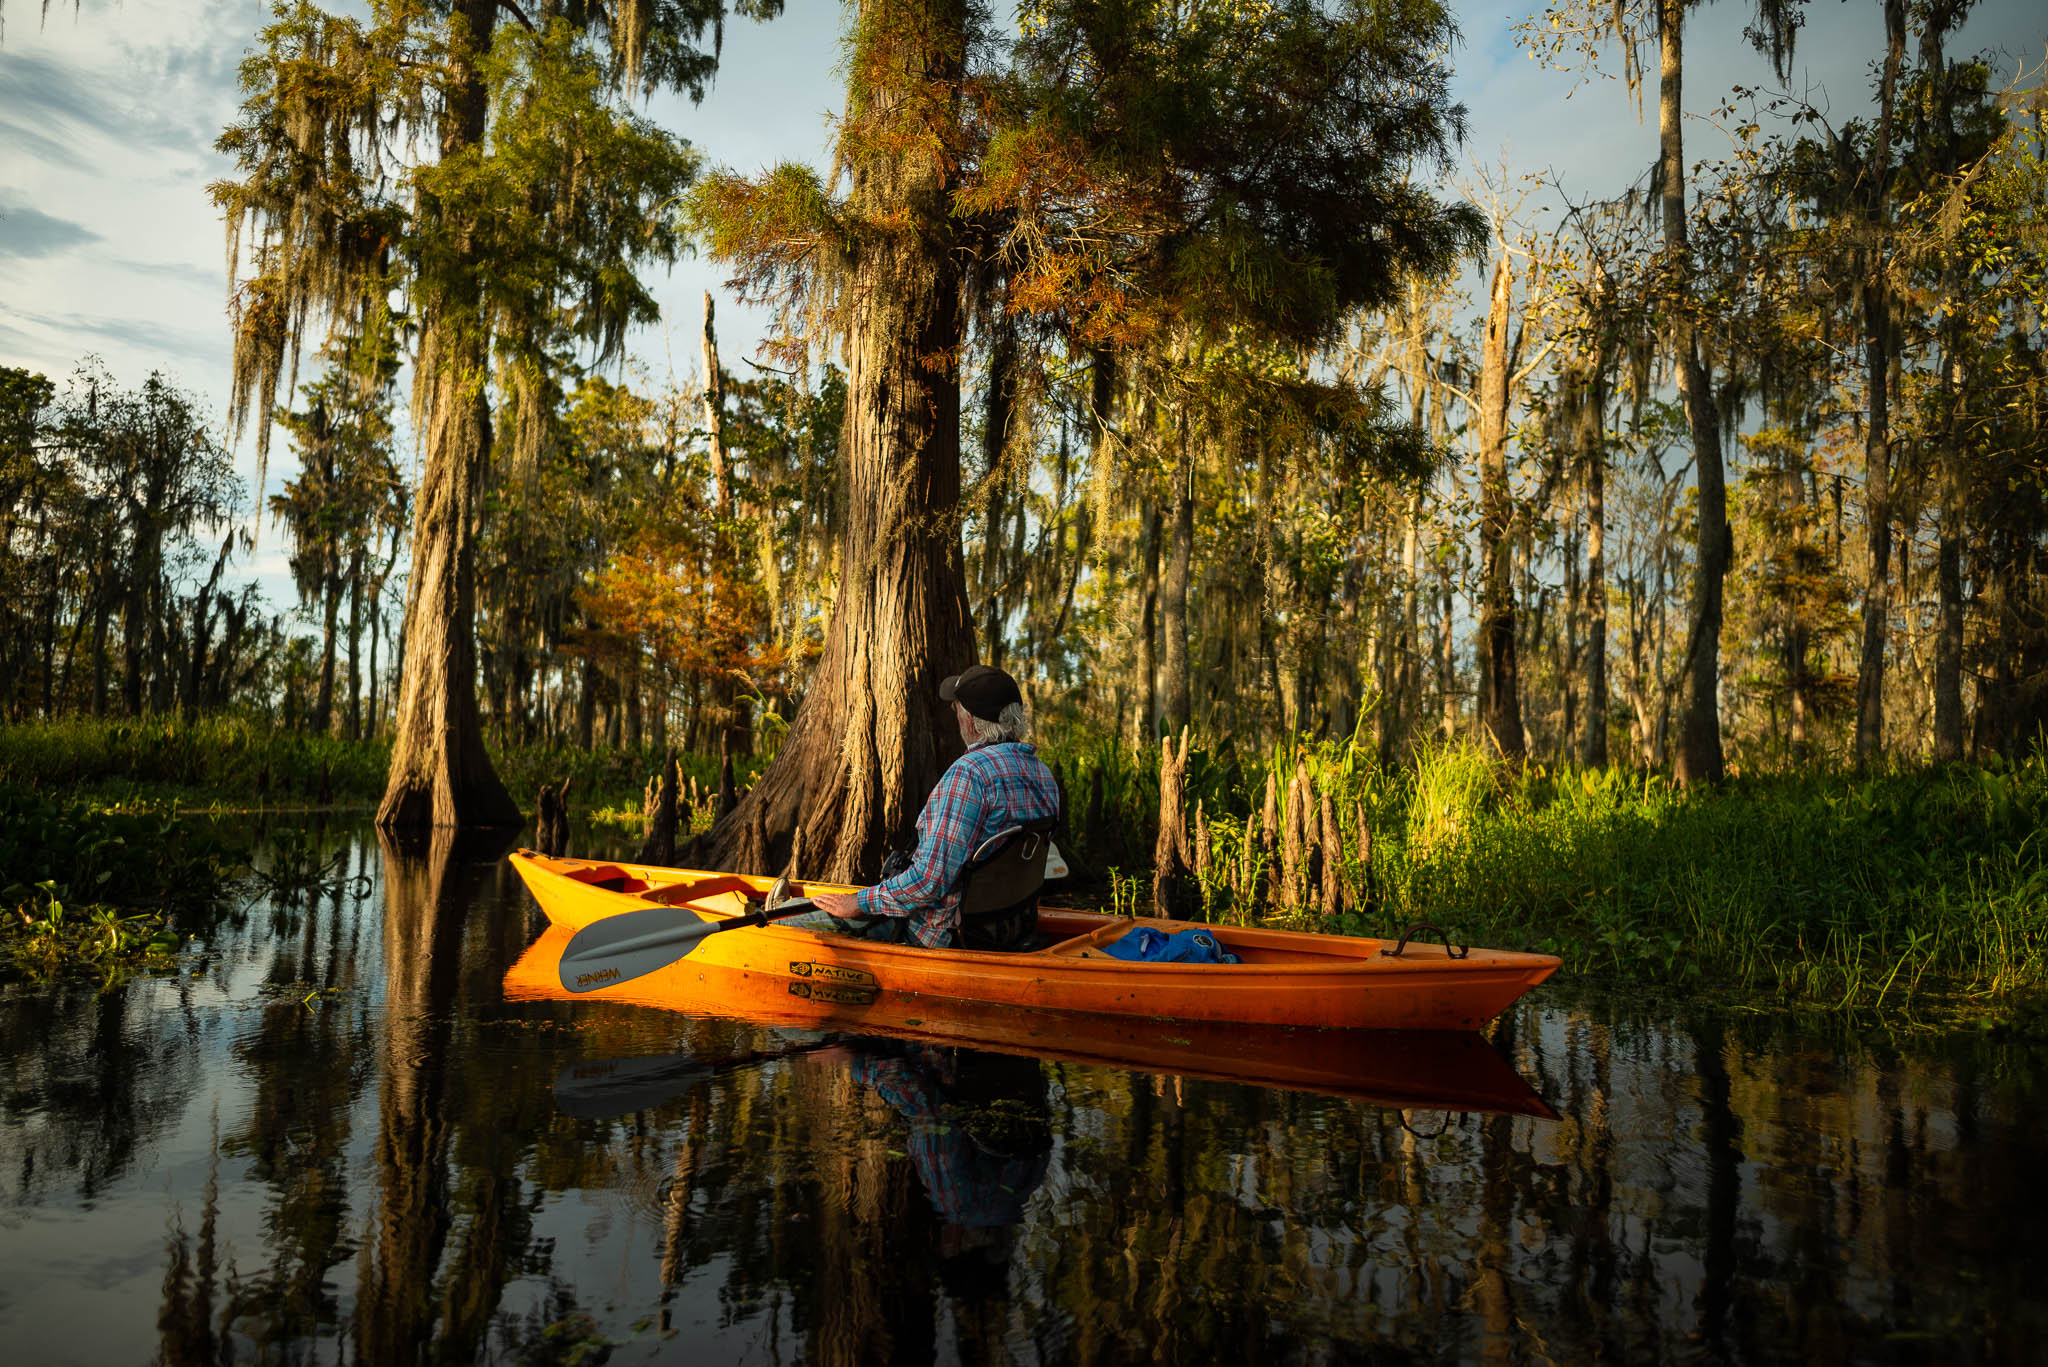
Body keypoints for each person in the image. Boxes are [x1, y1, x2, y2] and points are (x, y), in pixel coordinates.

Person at [810, 664, 1060, 949]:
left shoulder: (971, 774)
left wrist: (859, 901)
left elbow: (928, 882)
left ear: (970, 719)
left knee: (788, 920)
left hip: (939, 934)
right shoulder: (1042, 774)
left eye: (956, 710)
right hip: (1007, 928)